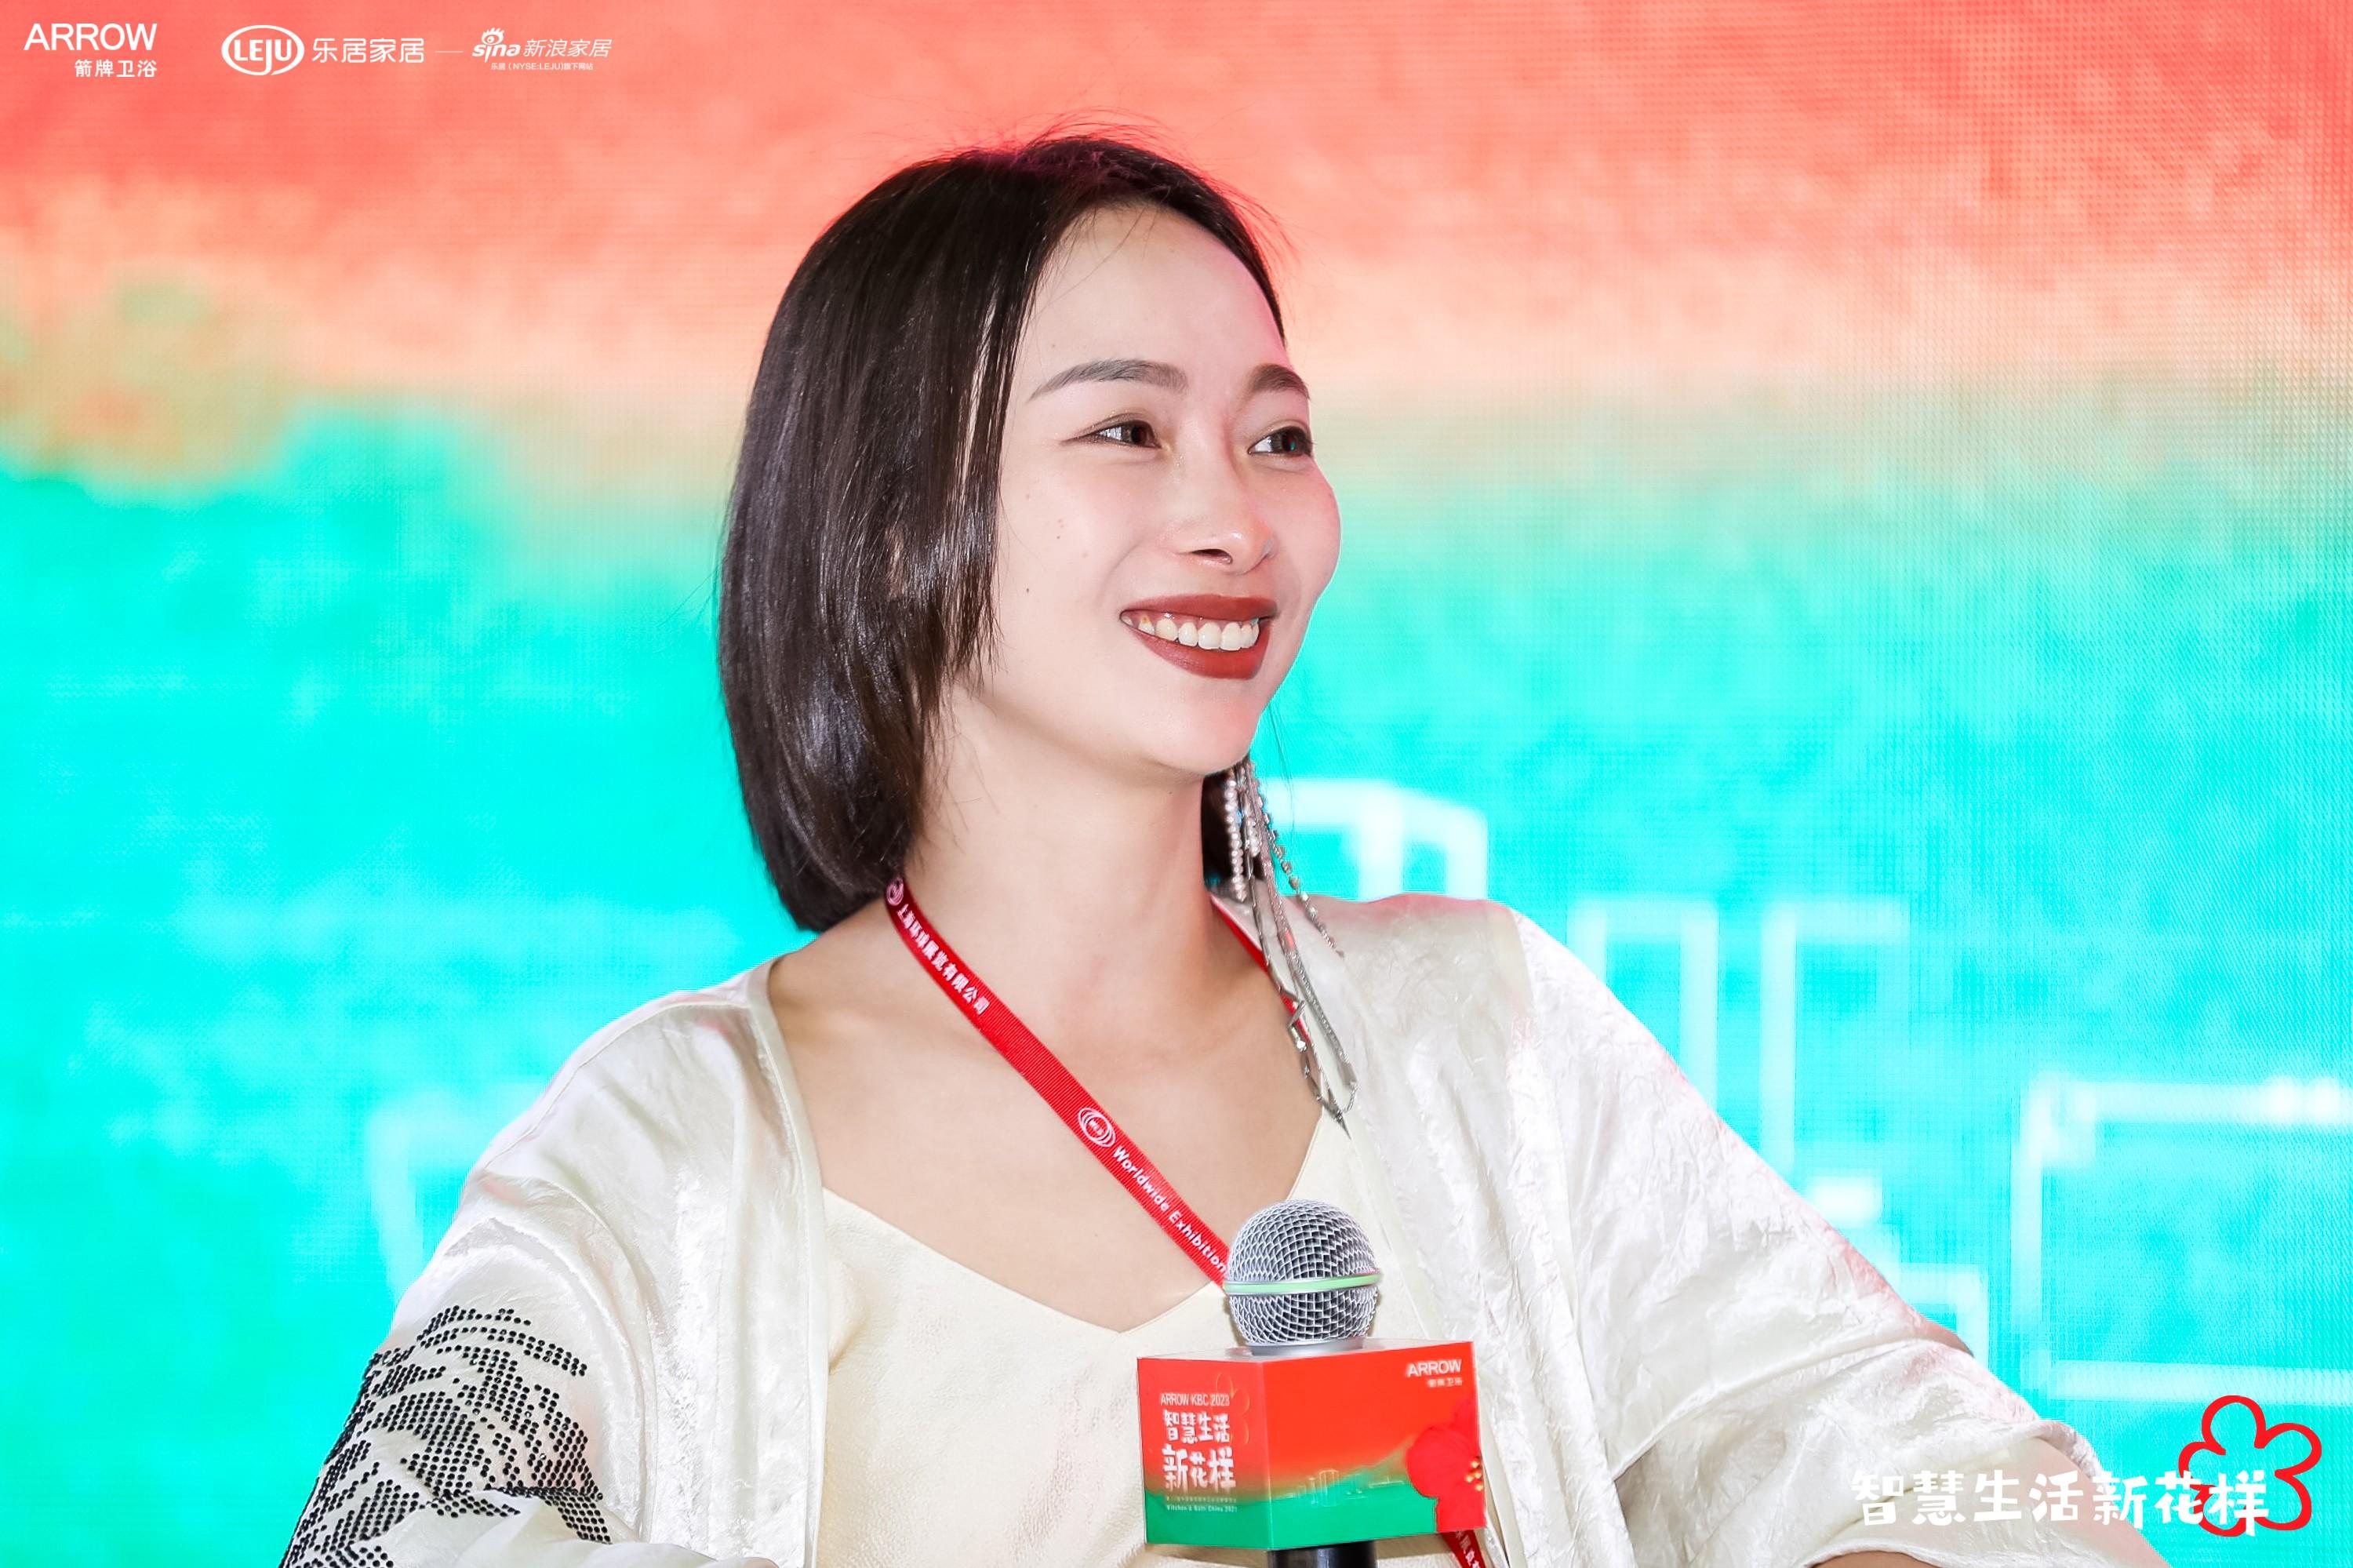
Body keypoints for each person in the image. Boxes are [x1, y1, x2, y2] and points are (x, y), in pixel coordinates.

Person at [278, 127, 2172, 1568]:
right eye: (1128, 432)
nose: (1236, 519)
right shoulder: (676, 1140)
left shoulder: (1478, 1037)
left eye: (1276, 439)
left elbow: (1954, 1470)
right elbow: (389, 1540)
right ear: (890, 525)